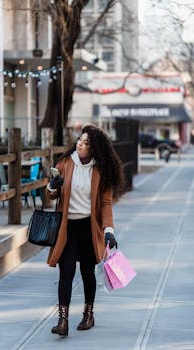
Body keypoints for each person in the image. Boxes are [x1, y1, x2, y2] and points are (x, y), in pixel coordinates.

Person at [46, 124, 125, 337]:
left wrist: (109, 231)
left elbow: (106, 204)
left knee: (87, 273)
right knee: (67, 273)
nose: (80, 144)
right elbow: (51, 195)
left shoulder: (101, 171)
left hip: (89, 229)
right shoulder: (65, 163)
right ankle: (62, 321)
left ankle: (88, 314)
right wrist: (53, 186)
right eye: (80, 140)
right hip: (67, 228)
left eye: (86, 143)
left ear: (94, 149)